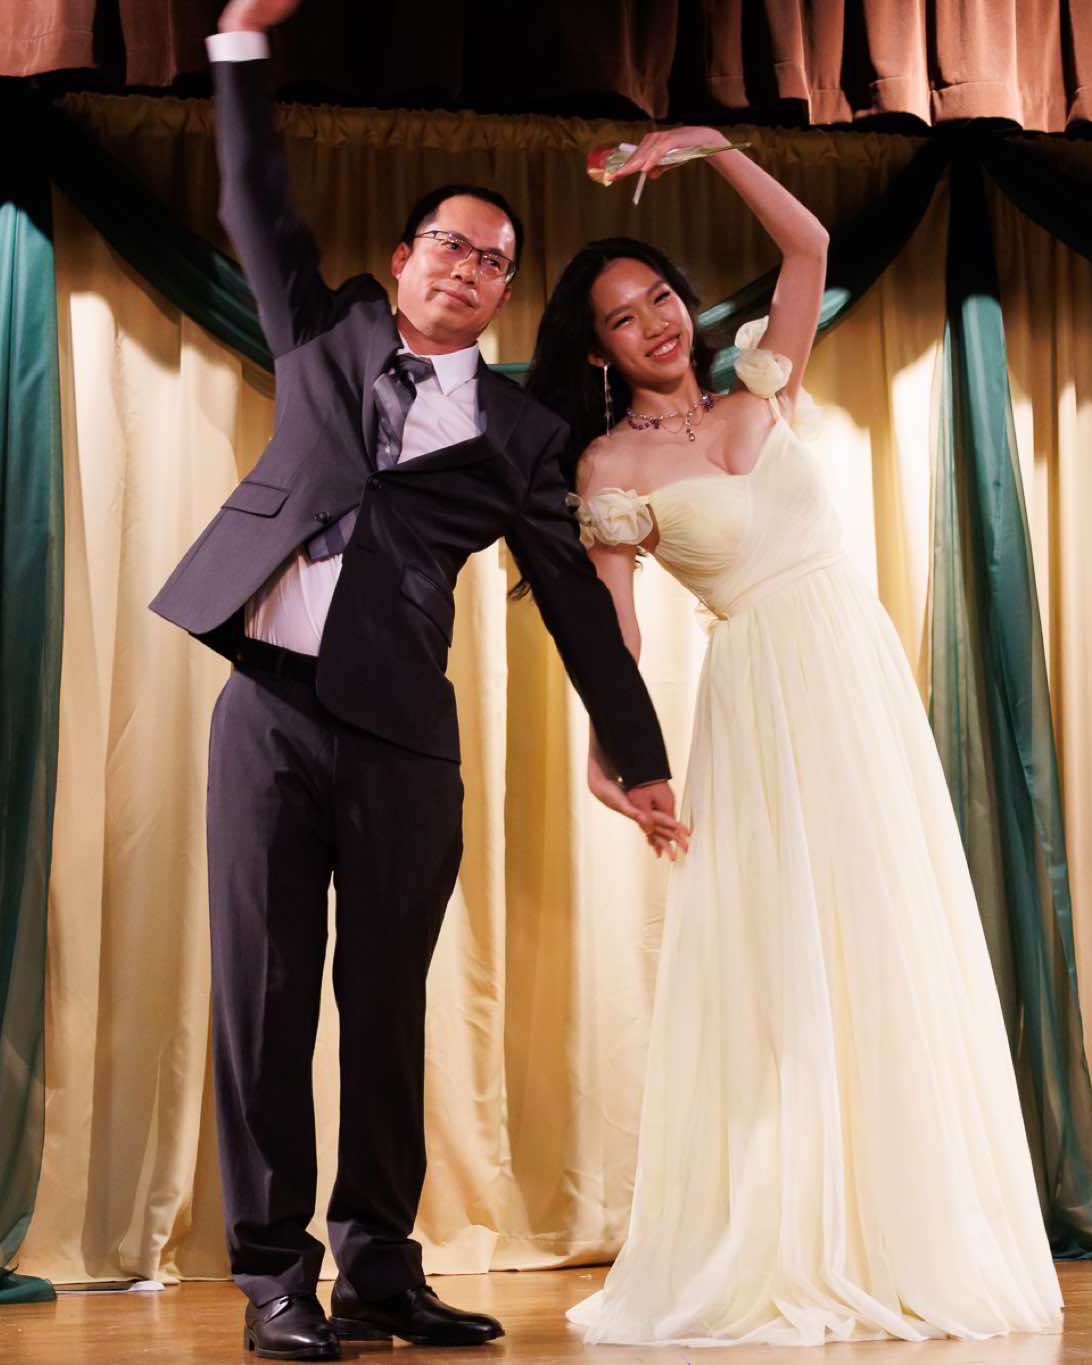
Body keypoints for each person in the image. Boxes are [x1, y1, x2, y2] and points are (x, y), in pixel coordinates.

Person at [148, 1, 683, 1357]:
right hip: (268, 713)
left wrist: (638, 752)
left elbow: (576, 608)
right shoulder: (321, 333)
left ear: (503, 297)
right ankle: (274, 1277)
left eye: (493, 260)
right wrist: (237, 45)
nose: (466, 266)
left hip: (400, 741)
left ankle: (380, 1267)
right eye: (448, 243)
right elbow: (253, 198)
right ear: (402, 261)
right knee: (266, 1000)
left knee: (384, 1011)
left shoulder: (521, 435)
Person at [525, 129, 1063, 1345]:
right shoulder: (609, 465)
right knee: (783, 959)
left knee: (883, 940)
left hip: (856, 679)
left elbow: (808, 245)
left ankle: (899, 1230)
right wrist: (612, 755)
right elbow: (615, 634)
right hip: (759, 699)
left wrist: (713, 147)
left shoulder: (764, 382)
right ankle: (787, 1230)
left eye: (659, 296)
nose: (654, 323)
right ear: (597, 351)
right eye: (621, 318)